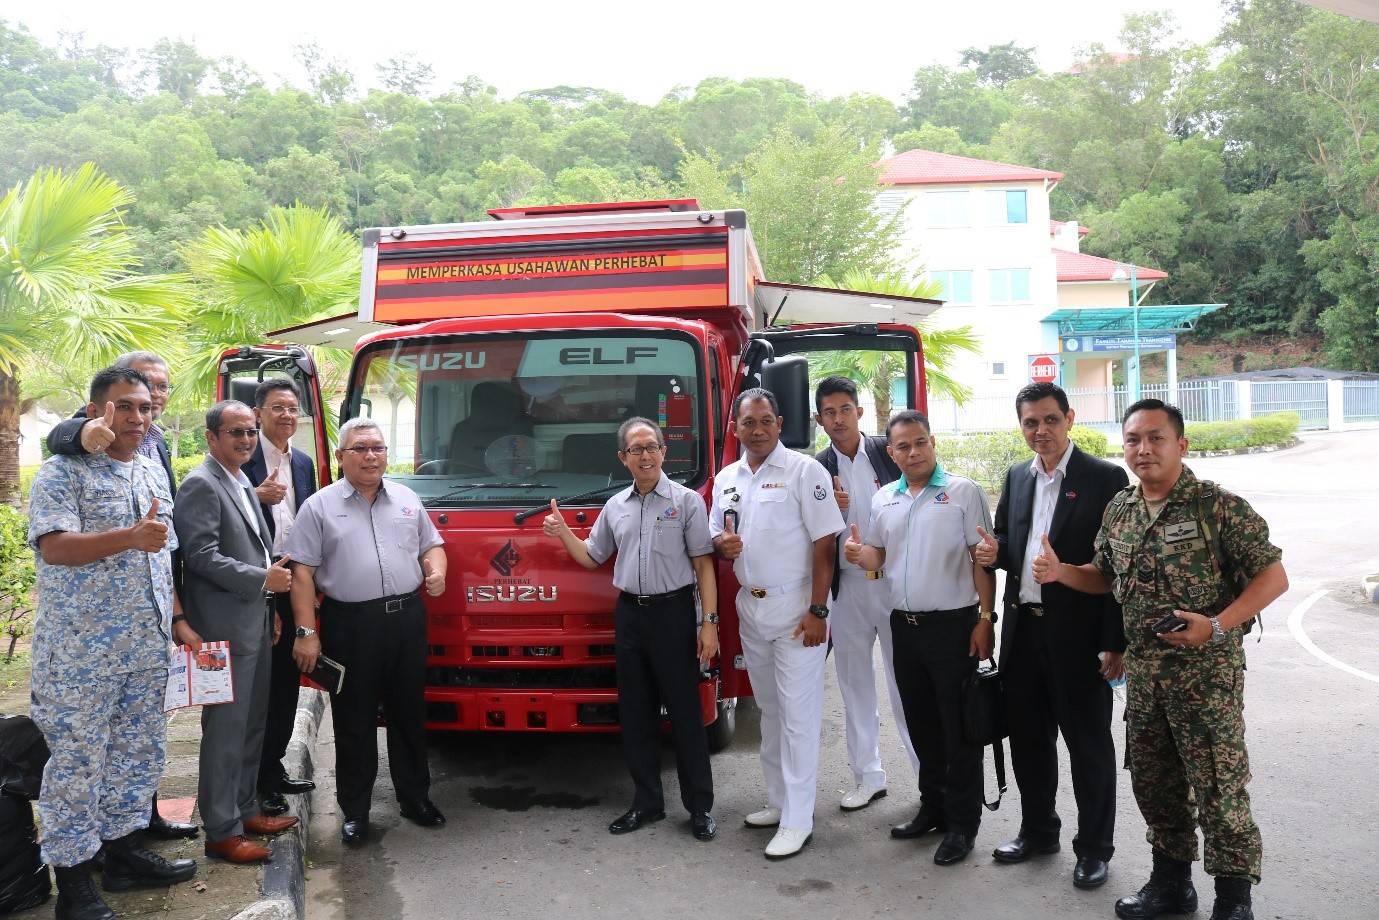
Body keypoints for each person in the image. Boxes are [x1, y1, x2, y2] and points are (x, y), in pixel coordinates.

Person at [1032, 399, 1287, 920]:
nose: (1143, 449)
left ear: (1181, 445)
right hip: (1145, 682)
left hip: (1206, 681)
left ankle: (1234, 900)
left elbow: (1273, 577)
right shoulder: (1121, 508)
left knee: (1218, 788)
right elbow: (1103, 575)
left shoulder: (1217, 507)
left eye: (1155, 438)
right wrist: (1062, 573)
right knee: (1156, 785)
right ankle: (1171, 884)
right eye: (1132, 440)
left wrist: (1216, 625)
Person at [27, 366, 197, 920]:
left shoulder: (150, 469)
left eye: (146, 408)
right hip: (80, 655)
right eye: (125, 407)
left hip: (142, 649)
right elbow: (54, 548)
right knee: (77, 767)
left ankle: (121, 854)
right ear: (96, 411)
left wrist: (173, 618)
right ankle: (73, 885)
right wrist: (127, 537)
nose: (138, 418)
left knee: (136, 757)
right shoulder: (63, 471)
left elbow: (161, 560)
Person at [972, 382, 1128, 889]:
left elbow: (1116, 569)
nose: (1040, 431)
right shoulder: (1017, 477)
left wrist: (1115, 641)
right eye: (1030, 423)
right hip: (1024, 635)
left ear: (1070, 418)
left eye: (1050, 420)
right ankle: (1039, 830)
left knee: (1088, 747)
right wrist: (996, 552)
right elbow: (1009, 542)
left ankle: (1094, 849)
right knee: (1030, 743)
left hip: (1080, 639)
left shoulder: (1104, 478)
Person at [543, 417, 719, 841]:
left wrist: (709, 624)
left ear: (663, 452)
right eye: (635, 449)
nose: (645, 455)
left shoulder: (687, 501)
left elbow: (703, 565)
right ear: (623, 458)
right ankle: (647, 802)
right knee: (635, 712)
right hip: (630, 616)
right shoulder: (615, 506)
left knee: (685, 714)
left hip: (674, 614)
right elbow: (591, 557)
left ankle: (699, 809)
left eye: (651, 447)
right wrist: (563, 531)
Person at [286, 418, 448, 847]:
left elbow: (432, 544)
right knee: (354, 720)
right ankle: (356, 811)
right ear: (341, 457)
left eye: (377, 448)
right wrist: (306, 632)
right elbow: (302, 572)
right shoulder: (319, 507)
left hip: (407, 619)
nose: (371, 455)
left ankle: (416, 799)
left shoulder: (408, 498)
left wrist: (437, 571)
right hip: (350, 623)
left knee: (409, 714)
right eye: (360, 448)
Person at [844, 409, 995, 866]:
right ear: (891, 452)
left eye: (920, 442)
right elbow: (879, 556)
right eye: (903, 446)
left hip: (954, 626)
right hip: (903, 627)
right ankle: (933, 808)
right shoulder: (884, 499)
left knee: (959, 730)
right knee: (922, 726)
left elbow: (981, 559)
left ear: (933, 443)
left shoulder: (962, 492)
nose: (913, 452)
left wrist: (986, 619)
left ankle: (963, 824)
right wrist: (858, 554)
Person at [708, 388, 843, 860]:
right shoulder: (728, 477)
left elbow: (825, 544)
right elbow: (717, 532)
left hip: (797, 609)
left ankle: (798, 821)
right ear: (736, 428)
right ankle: (779, 801)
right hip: (752, 606)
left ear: (780, 424)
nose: (758, 429)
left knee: (799, 718)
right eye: (749, 422)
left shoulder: (806, 472)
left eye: (766, 421)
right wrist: (723, 546)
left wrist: (818, 609)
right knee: (769, 710)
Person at [174, 400, 301, 864]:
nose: (246, 440)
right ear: (211, 437)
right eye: (235, 432)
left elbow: (254, 547)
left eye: (250, 431)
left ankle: (246, 809)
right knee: (225, 733)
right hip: (220, 630)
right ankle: (221, 831)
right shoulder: (201, 484)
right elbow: (200, 555)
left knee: (252, 726)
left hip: (253, 621)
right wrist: (260, 581)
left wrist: (270, 608)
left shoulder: (241, 477)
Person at [811, 376, 917, 811]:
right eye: (829, 413)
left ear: (859, 412)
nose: (839, 419)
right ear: (820, 420)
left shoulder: (888, 453)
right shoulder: (815, 468)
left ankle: (928, 777)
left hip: (893, 584)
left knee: (906, 683)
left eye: (845, 409)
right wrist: (829, 512)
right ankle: (867, 775)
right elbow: (808, 532)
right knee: (854, 685)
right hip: (847, 589)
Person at [242, 379, 318, 817]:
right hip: (256, 579)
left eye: (292, 408)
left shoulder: (302, 462)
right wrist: (256, 497)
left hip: (295, 577)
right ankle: (254, 778)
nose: (286, 415)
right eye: (276, 407)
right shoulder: (240, 457)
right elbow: (217, 508)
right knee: (261, 686)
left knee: (289, 679)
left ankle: (274, 766)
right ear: (257, 413)